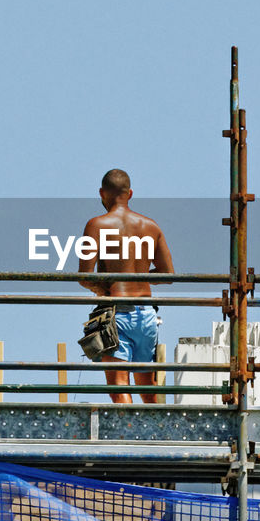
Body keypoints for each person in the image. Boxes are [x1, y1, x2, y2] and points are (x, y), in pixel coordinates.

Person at [78, 169, 174, 403]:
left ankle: (129, 436)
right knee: (146, 384)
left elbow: (84, 276)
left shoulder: (96, 225)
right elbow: (168, 274)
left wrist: (104, 290)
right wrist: (138, 276)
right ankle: (155, 436)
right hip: (148, 315)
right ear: (129, 193)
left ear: (102, 193)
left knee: (119, 385)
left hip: (116, 314)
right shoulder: (150, 226)